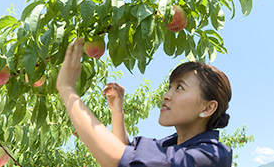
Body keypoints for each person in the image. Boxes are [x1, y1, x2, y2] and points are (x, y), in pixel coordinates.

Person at [56, 38, 233, 167]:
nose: (166, 95)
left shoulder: (211, 156)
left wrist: (67, 90)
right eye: (170, 87)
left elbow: (117, 159)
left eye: (180, 88)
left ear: (208, 107)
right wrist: (117, 111)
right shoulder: (169, 145)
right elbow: (127, 154)